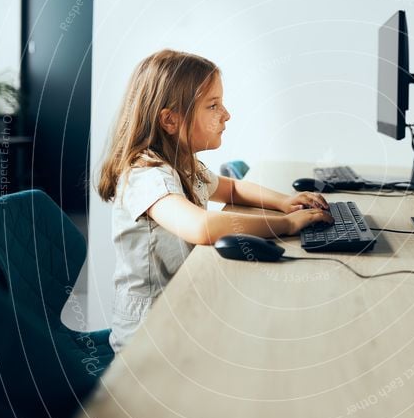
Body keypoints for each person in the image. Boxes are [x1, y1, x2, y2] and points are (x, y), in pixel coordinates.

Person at [97, 49, 332, 351]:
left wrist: (284, 201)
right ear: (170, 120)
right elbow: (202, 227)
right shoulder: (147, 177)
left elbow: (232, 190)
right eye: (213, 105)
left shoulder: (183, 163)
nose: (227, 114)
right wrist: (285, 224)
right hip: (149, 330)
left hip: (183, 304)